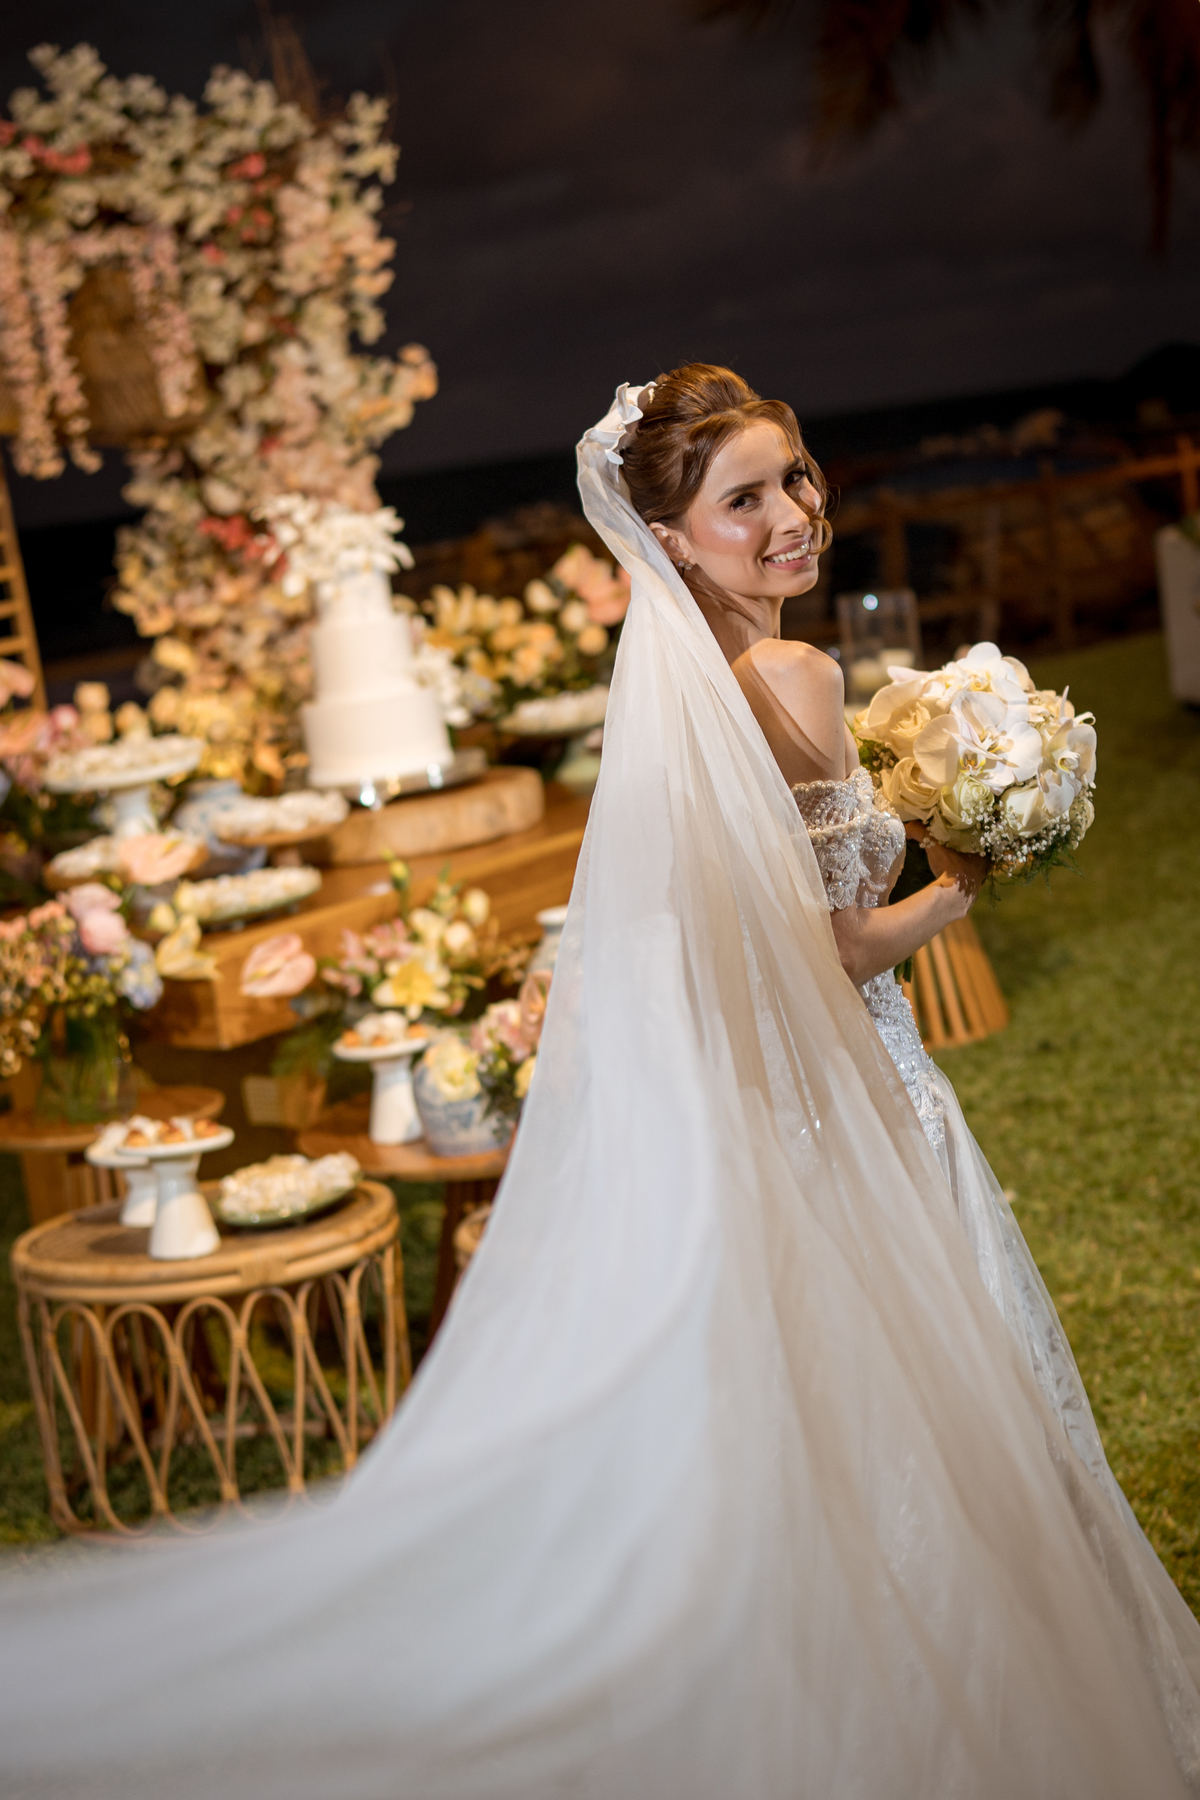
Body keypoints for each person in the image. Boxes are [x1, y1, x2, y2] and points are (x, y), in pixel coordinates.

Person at [3, 371, 1200, 1800]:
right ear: (675, 539)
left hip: (782, 1116)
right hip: (866, 1093)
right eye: (742, 499)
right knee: (940, 1418)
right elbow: (838, 954)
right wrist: (964, 879)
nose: (791, 516)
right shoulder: (792, 677)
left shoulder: (692, 696)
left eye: (797, 477)